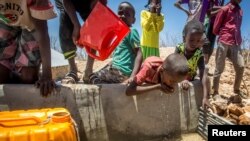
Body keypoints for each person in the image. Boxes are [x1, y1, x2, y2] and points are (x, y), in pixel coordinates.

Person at [0, 0, 57, 96]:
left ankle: (24, 73)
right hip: (4, 22)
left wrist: (47, 74)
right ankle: (11, 73)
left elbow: (41, 32)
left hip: (31, 25)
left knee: (28, 78)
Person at [88, 2, 142, 84]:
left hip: (122, 72)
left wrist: (133, 76)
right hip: (115, 70)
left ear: (133, 20)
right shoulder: (118, 34)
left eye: (127, 14)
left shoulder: (131, 31)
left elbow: (139, 53)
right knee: (93, 76)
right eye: (120, 13)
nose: (123, 16)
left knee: (93, 78)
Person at [55, 0, 108, 83]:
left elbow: (101, 6)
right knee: (65, 20)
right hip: (65, 2)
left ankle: (88, 71)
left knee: (95, 25)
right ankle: (73, 69)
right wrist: (76, 25)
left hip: (86, 3)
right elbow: (66, 1)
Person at [175, 20, 211, 109]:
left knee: (207, 77)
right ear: (184, 38)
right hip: (177, 77)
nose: (194, 43)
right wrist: (181, 79)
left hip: (190, 79)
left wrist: (205, 97)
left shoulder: (199, 54)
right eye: (191, 40)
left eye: (198, 40)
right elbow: (173, 66)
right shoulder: (179, 49)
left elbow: (203, 75)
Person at [212, 0, 245, 97]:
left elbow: (238, 27)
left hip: (236, 42)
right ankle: (215, 92)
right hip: (224, 41)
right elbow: (215, 29)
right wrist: (224, 34)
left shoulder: (240, 12)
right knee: (219, 68)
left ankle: (236, 89)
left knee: (241, 66)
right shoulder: (224, 9)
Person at [203, 0, 224, 64]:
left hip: (215, 25)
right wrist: (221, 9)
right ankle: (202, 65)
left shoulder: (221, 1)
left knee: (211, 46)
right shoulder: (210, 1)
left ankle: (205, 64)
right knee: (206, 44)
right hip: (208, 23)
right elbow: (209, 13)